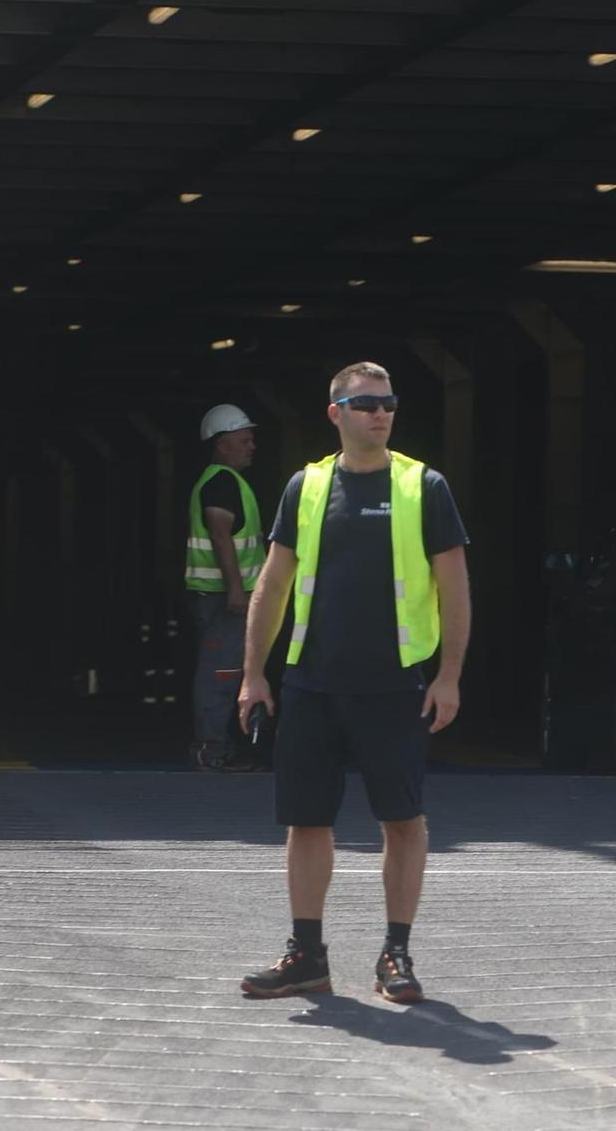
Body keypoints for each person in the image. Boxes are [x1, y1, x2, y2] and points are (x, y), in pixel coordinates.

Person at [235, 362, 471, 1004]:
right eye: (366, 404)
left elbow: (454, 586)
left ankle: (396, 952)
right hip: (312, 682)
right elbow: (274, 582)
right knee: (306, 822)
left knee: (403, 819)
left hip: (394, 683)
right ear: (335, 412)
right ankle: (307, 955)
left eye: (389, 403)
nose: (381, 413)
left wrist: (447, 677)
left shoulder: (424, 485)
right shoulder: (306, 487)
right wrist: (255, 673)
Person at [186, 404, 267, 772]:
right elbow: (221, 536)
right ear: (222, 445)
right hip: (223, 599)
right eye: (244, 440)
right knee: (220, 672)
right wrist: (237, 590)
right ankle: (212, 749)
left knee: (227, 670)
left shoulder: (226, 482)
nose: (252, 446)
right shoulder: (221, 483)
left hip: (225, 598)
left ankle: (220, 745)